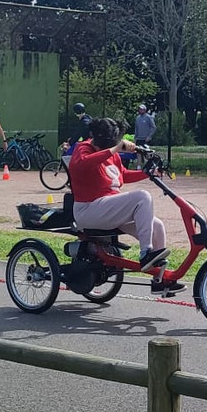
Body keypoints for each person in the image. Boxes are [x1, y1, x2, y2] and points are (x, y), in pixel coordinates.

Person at [69, 117, 174, 290]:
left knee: (158, 227)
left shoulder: (112, 155)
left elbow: (122, 175)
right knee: (142, 197)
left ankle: (160, 280)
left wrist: (147, 173)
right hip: (88, 210)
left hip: (108, 209)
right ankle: (145, 253)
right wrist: (115, 148)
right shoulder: (83, 149)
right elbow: (82, 165)